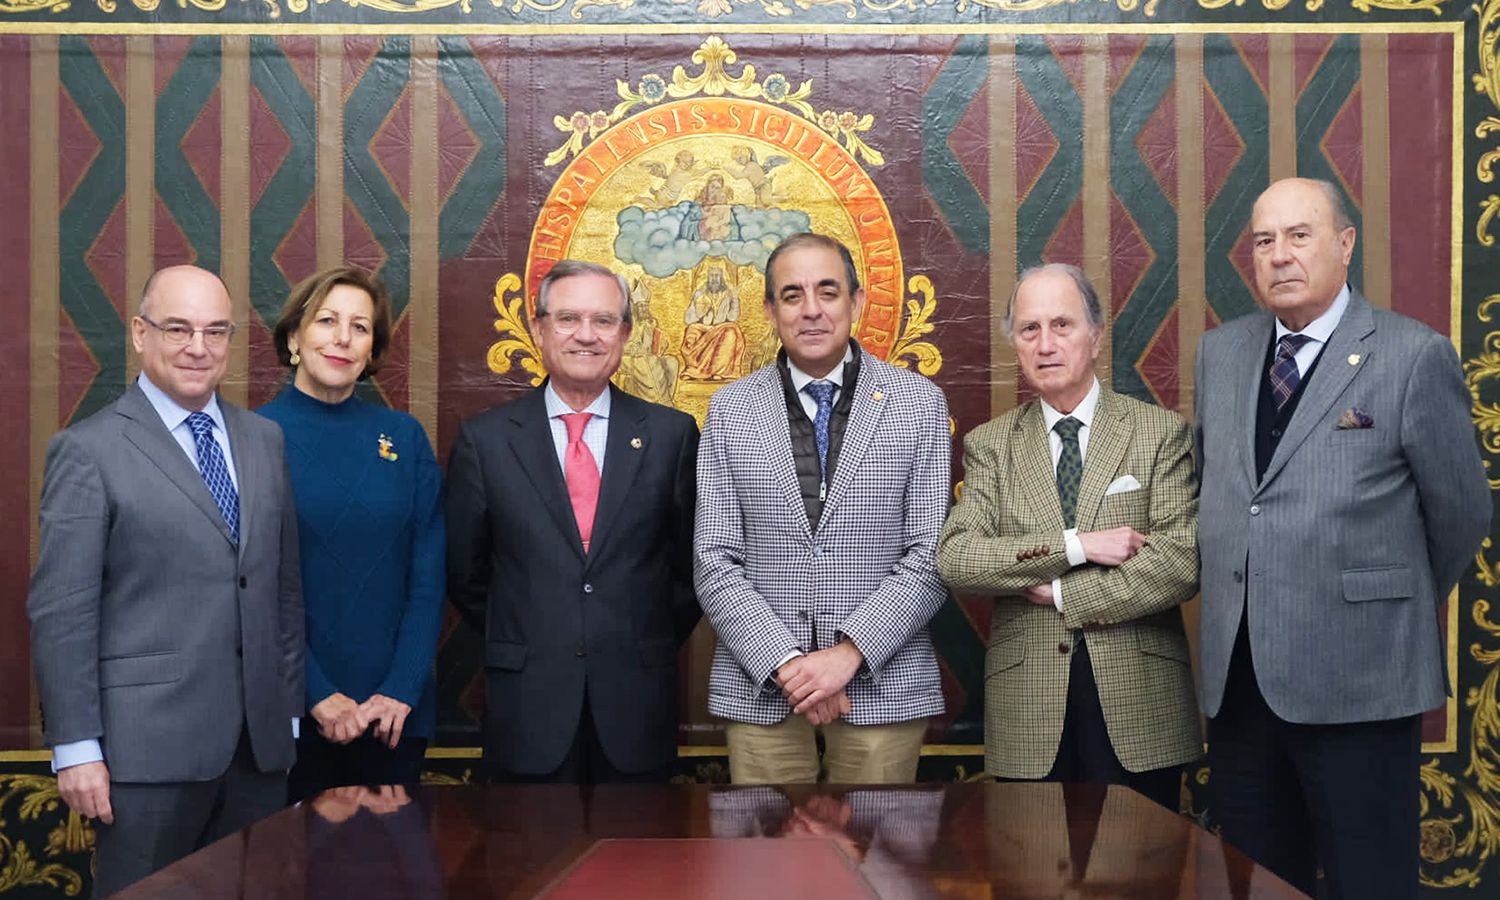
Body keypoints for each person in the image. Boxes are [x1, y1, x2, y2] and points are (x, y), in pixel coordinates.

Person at [1194, 177, 1490, 898]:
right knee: (1259, 885)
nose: (1280, 255)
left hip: (1362, 681)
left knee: (1369, 883)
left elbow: (1461, 514)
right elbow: (1221, 492)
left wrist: (1380, 601)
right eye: (1264, 241)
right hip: (1243, 686)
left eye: (1300, 236)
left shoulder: (1412, 355)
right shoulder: (1220, 355)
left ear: (1345, 243)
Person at [27, 265, 303, 897]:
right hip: (144, 757)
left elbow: (282, 591)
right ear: (139, 333)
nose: (197, 347)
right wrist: (76, 747)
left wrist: (284, 714)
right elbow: (63, 613)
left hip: (258, 753)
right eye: (178, 328)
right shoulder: (88, 450)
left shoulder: (265, 440)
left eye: (215, 330)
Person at [936, 264, 1201, 811]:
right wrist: (1077, 545)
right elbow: (958, 558)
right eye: (1029, 329)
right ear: (1015, 343)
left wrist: (1061, 593)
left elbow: (1178, 564)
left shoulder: (1159, 432)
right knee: (1033, 861)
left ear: (1096, 336)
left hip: (1140, 703)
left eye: (1062, 325)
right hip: (1027, 709)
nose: (1046, 344)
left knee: (1139, 861)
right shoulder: (991, 445)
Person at [695, 232, 951, 784]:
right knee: (766, 843)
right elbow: (714, 560)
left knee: (876, 843)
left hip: (881, 686)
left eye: (827, 291)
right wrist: (788, 665)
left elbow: (930, 553)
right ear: (770, 311)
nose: (811, 309)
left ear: (857, 302)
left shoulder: (918, 403)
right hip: (763, 688)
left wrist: (847, 655)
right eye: (792, 295)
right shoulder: (731, 410)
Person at [447, 259, 700, 783]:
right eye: (568, 319)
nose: (586, 335)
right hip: (527, 705)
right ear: (538, 328)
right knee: (529, 840)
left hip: (636, 703)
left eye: (603, 320)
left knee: (639, 840)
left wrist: (627, 639)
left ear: (625, 333)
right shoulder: (486, 441)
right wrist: (537, 633)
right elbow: (466, 575)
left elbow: (689, 572)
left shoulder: (671, 436)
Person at [259, 267, 445, 802]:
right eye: (326, 321)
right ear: (294, 338)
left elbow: (429, 576)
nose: (343, 338)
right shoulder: (255, 438)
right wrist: (315, 693)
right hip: (292, 712)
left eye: (360, 327)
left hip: (394, 717)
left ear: (372, 349)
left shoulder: (404, 438)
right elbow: (253, 588)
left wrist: (401, 689)